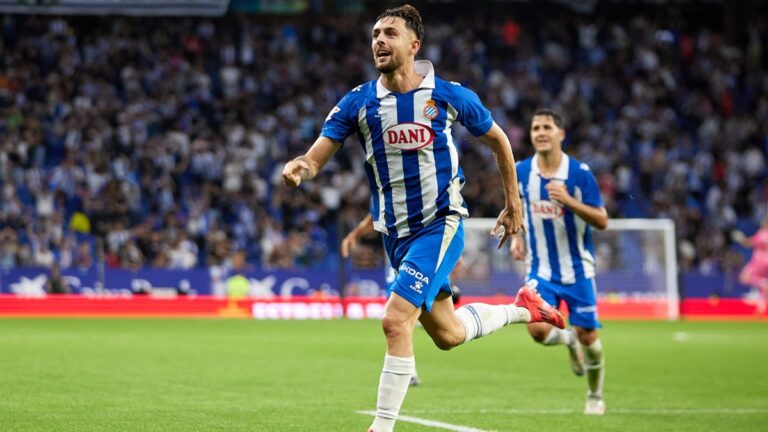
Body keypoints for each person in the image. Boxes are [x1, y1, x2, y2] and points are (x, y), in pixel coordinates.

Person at [282, 6, 565, 431]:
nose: (379, 40)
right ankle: (523, 309)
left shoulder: (448, 94)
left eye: (389, 33)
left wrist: (514, 202)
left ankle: (381, 427)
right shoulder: (359, 102)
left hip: (440, 223)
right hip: (395, 234)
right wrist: (302, 166)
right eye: (375, 33)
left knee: (395, 321)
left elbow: (499, 140)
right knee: (448, 335)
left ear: (413, 45)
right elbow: (319, 153)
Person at [509, 108, 609, 415]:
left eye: (547, 127)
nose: (540, 132)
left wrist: (569, 201)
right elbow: (517, 206)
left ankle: (594, 394)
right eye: (535, 127)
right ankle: (569, 341)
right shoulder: (522, 171)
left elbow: (602, 220)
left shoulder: (580, 174)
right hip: (540, 269)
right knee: (536, 330)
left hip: (578, 270)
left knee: (590, 337)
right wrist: (517, 236)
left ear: (560, 134)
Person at [341, 213, 463, 387]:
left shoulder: (421, 197)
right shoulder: (386, 196)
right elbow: (372, 216)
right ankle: (408, 372)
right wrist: (355, 234)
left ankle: (510, 313)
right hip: (397, 264)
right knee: (398, 320)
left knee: (434, 330)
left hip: (419, 259)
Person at [731, 216, 768, 314]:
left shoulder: (763, 233)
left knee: (744, 277)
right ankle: (762, 305)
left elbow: (748, 243)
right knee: (761, 288)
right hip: (766, 263)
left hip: (758, 262)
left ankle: (763, 283)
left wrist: (740, 238)